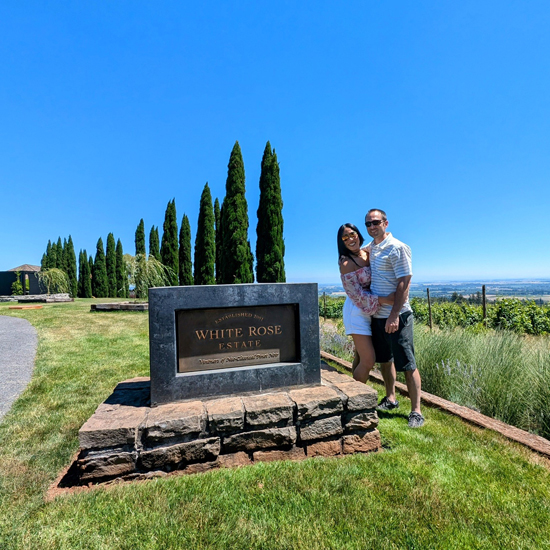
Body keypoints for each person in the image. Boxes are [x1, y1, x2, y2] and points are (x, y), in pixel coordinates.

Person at [364, 209, 424, 428]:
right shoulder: (372, 248)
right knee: (385, 360)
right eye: (368, 224)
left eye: (375, 222)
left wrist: (394, 315)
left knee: (407, 363)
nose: (371, 227)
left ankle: (416, 411)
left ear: (386, 223)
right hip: (377, 315)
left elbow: (404, 284)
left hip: (397, 315)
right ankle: (390, 398)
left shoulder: (398, 247)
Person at [337, 223, 394, 383]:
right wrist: (385, 299)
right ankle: (355, 399)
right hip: (356, 311)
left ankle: (351, 394)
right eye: (345, 237)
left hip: (372, 310)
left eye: (352, 234)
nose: (350, 239)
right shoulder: (346, 264)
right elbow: (356, 295)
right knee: (369, 360)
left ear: (358, 234)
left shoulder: (367, 252)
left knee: (360, 355)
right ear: (342, 242)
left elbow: (380, 242)